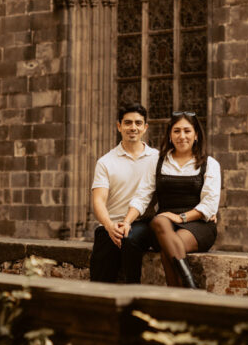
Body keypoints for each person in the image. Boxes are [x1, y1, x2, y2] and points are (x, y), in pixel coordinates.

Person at [123, 111, 221, 289]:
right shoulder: (157, 162)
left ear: (196, 134)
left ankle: (180, 294)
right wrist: (127, 222)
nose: (181, 136)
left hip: (198, 224)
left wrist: (180, 217)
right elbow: (142, 197)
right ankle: (189, 290)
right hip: (164, 226)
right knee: (161, 222)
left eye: (187, 131)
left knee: (170, 246)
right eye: (176, 131)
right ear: (169, 135)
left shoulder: (210, 164)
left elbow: (209, 205)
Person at [89, 103, 159, 283]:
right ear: (119, 126)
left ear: (145, 127)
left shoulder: (157, 158)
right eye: (128, 123)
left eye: (138, 123)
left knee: (130, 239)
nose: (133, 127)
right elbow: (98, 201)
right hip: (110, 224)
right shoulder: (105, 162)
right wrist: (109, 225)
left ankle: (132, 296)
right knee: (100, 283)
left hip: (142, 224)